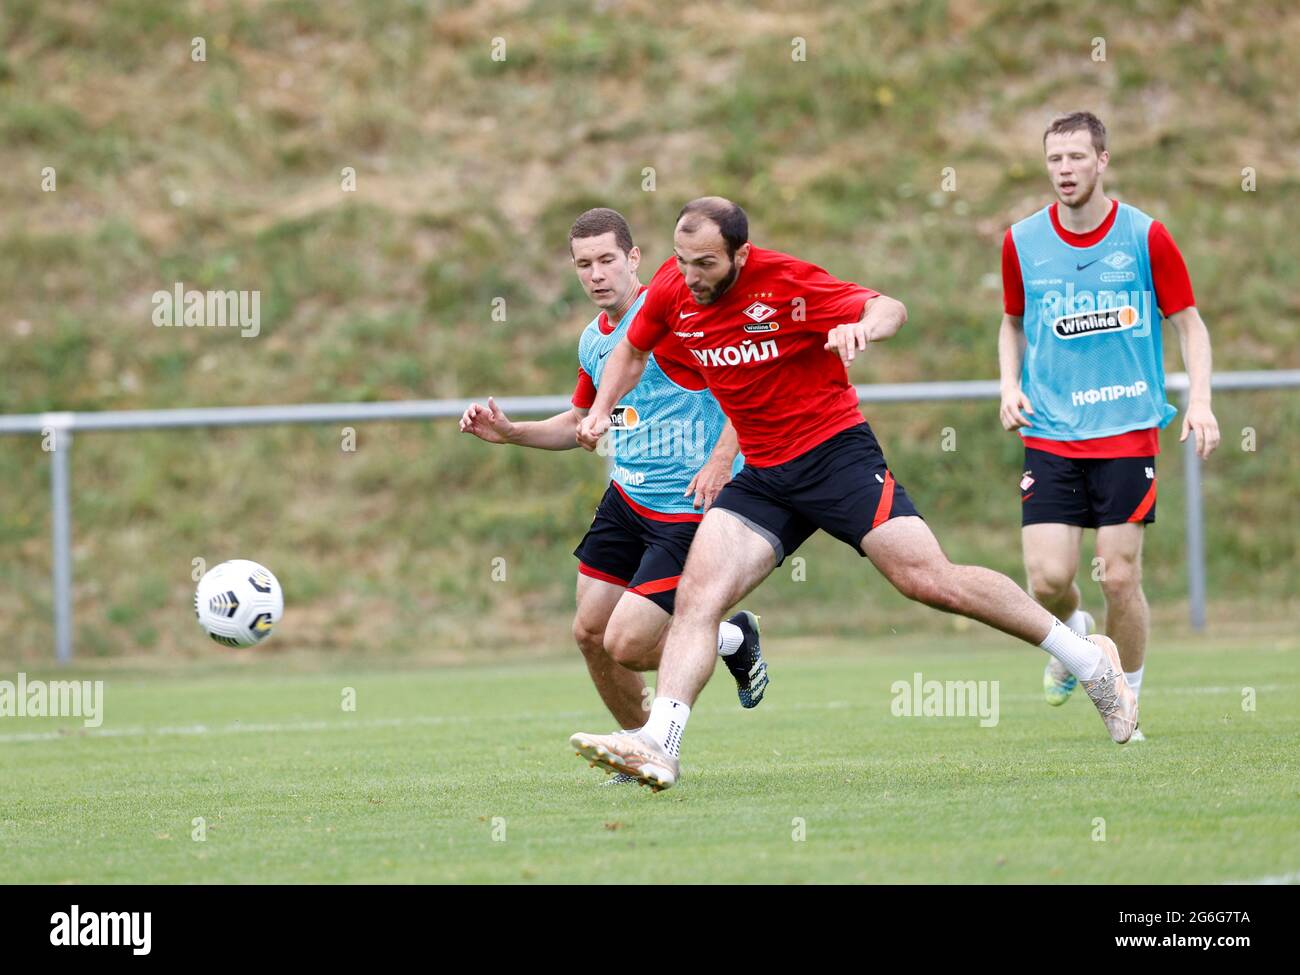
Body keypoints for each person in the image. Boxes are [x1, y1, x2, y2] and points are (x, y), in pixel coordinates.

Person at [568, 197, 1137, 792]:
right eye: (682, 261)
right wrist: (602, 409)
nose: (691, 277)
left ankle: (1089, 661)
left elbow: (890, 307)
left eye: (706, 263)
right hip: (762, 474)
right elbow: (632, 349)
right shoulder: (672, 289)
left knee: (929, 581)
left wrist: (864, 326)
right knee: (697, 598)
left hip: (834, 457)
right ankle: (661, 744)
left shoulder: (786, 282)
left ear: (741, 253)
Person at [459, 208, 769, 784]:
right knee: (589, 635)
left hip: (685, 509)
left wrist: (723, 459)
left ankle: (730, 636)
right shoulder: (593, 340)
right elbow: (581, 420)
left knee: (626, 643)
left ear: (634, 259)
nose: (597, 274)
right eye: (584, 264)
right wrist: (511, 433)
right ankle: (639, 753)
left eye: (607, 260)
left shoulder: (677, 320)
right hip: (626, 502)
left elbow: (747, 385)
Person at [998, 112, 1219, 737]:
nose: (1064, 170)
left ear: (1102, 161)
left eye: (1075, 158)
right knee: (1047, 581)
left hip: (1125, 428)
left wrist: (1198, 400)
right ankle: (1076, 635)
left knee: (1119, 575)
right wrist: (1010, 384)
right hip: (1050, 432)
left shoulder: (1145, 237)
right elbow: (1011, 322)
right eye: (1054, 159)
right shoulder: (1022, 241)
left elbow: (1189, 323)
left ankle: (1127, 700)